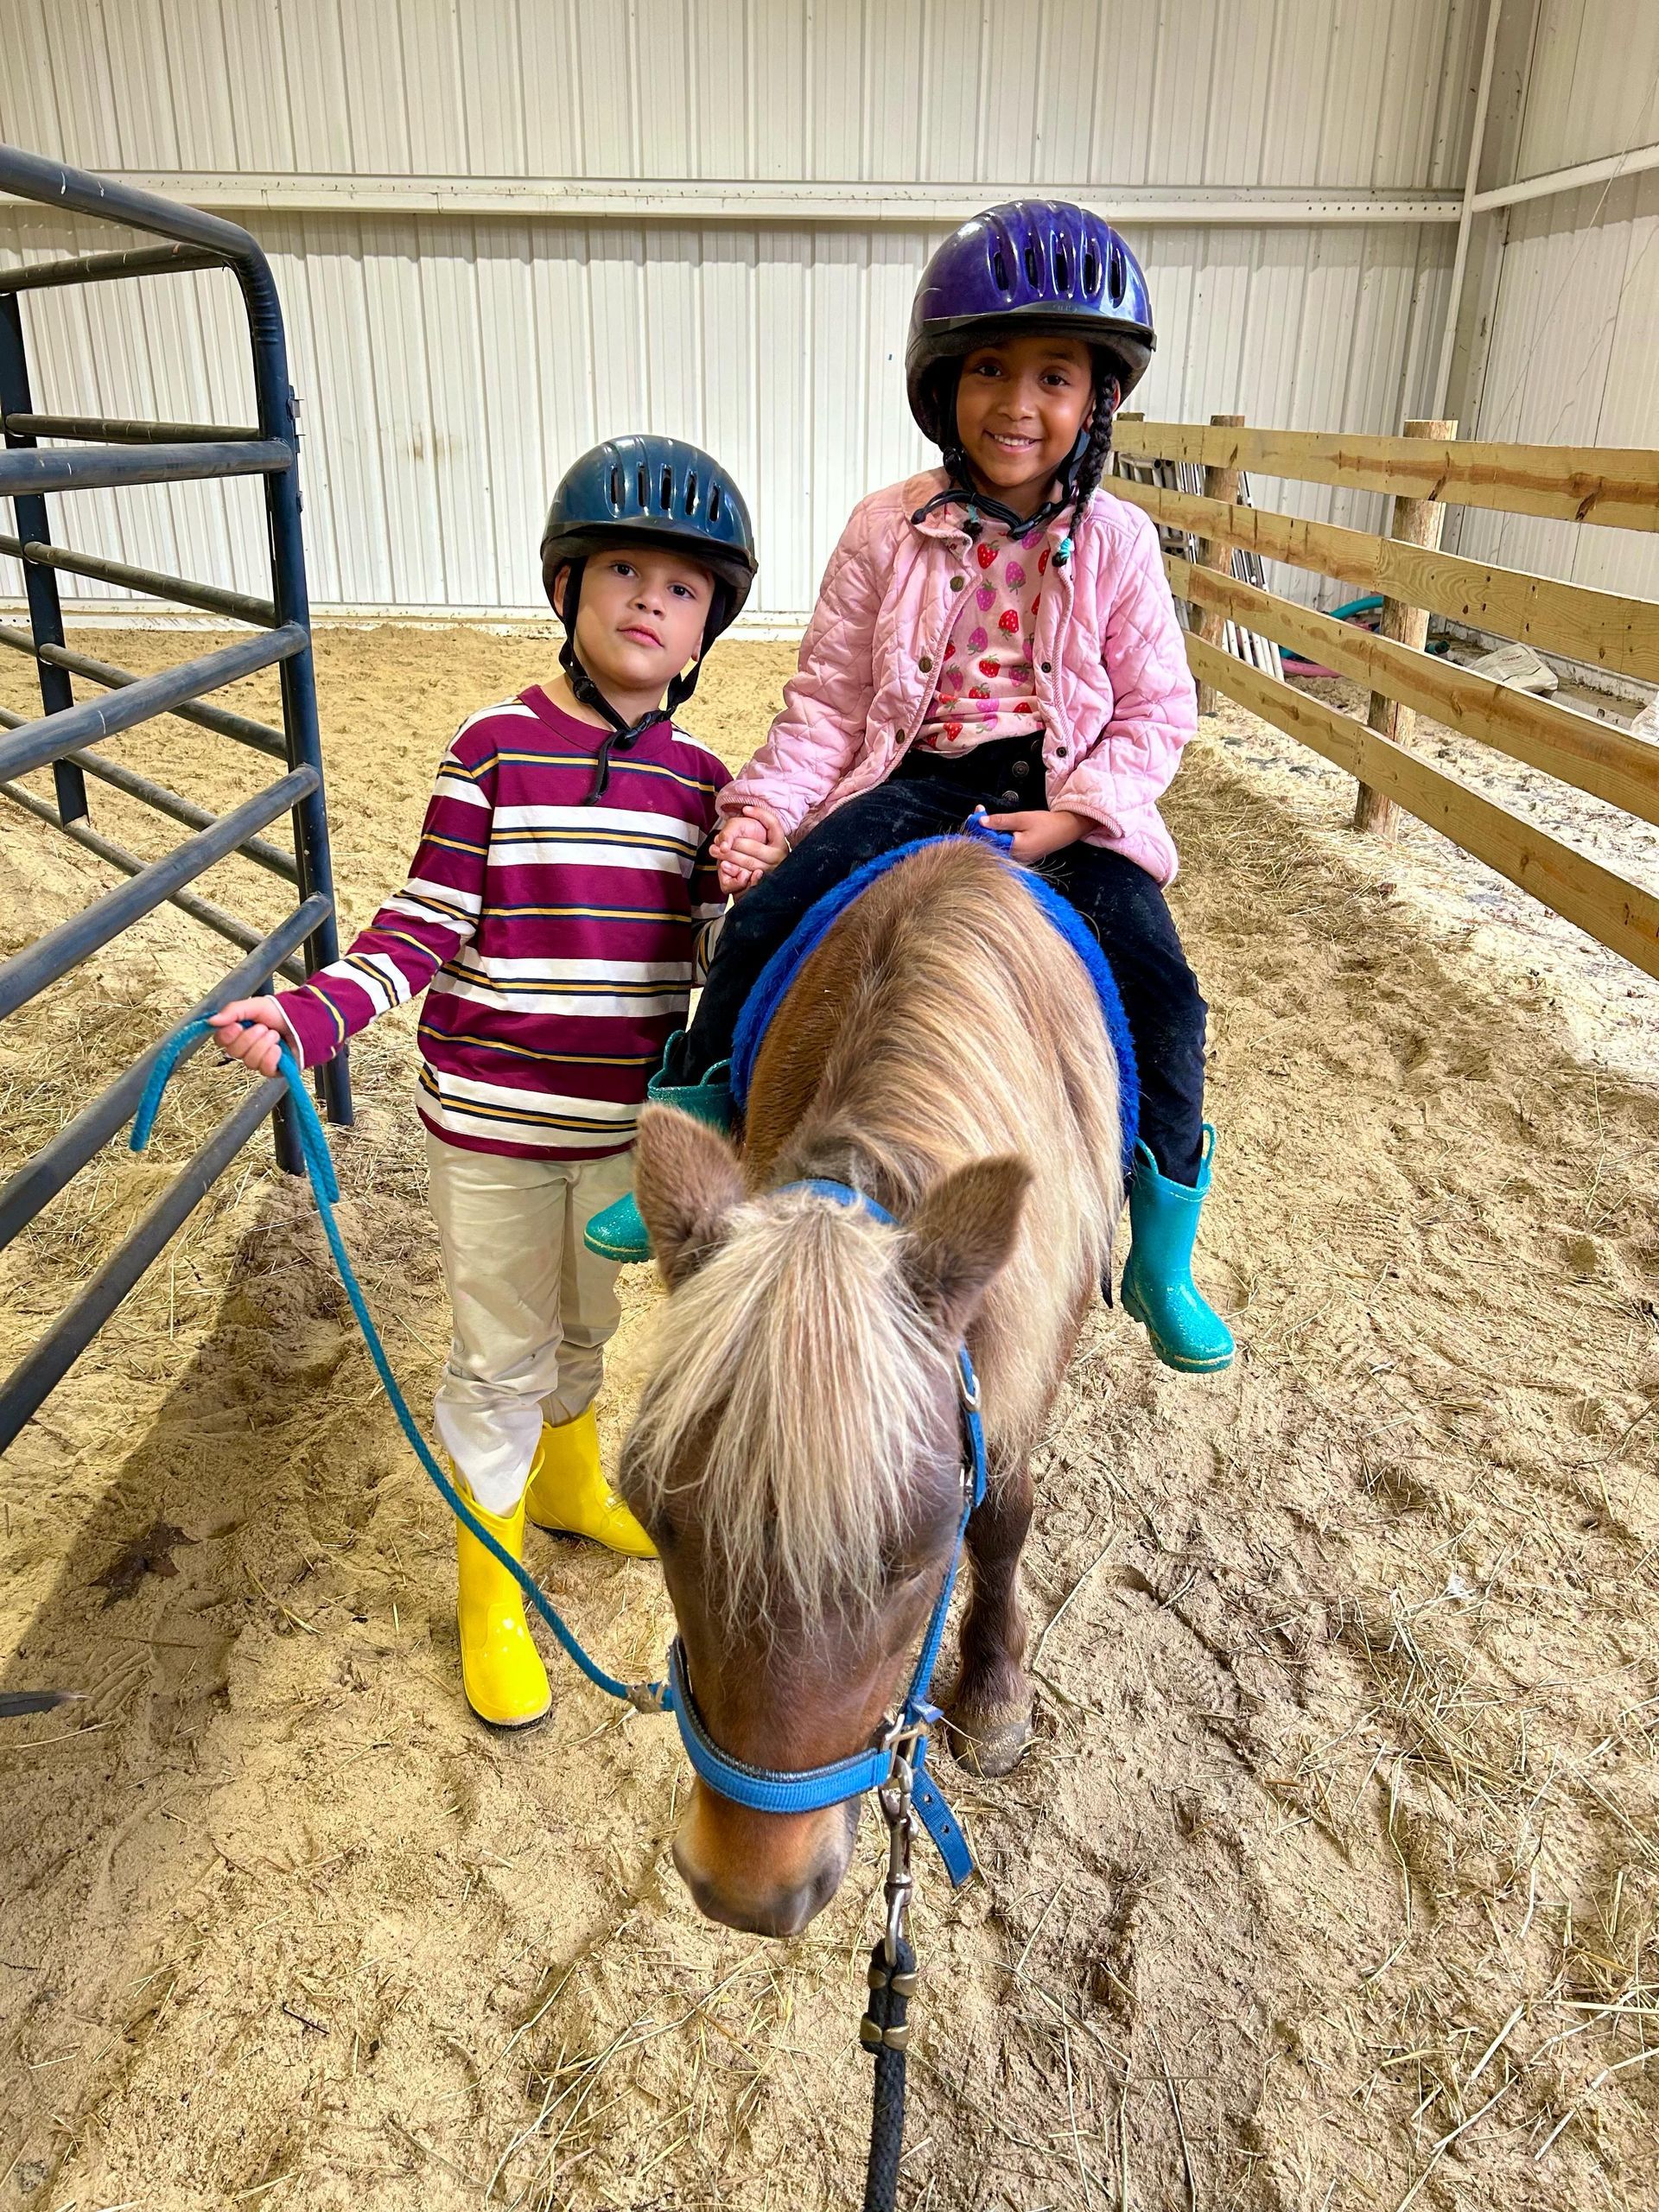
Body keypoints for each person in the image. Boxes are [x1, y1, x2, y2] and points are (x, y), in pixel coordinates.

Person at [587, 201, 1232, 1375]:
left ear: (1099, 400)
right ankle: (703, 1126)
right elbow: (830, 701)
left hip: (1066, 794)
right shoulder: (888, 526)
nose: (1020, 406)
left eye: (1054, 376)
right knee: (769, 921)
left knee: (1167, 993)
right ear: (945, 382)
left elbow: (1157, 711)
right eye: (991, 369)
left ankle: (1159, 1246)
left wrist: (1081, 815)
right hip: (916, 776)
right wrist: (767, 815)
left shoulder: (1124, 541)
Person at [209, 435, 757, 1726]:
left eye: (681, 589)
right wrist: (314, 1013)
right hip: (498, 1130)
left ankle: (571, 1486)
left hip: (624, 1137)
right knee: (499, 1355)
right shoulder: (495, 748)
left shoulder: (705, 788)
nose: (647, 600)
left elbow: (719, 964)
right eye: (622, 569)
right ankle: (491, 1597)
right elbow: (423, 921)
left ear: (704, 632)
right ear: (567, 587)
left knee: (588, 1328)